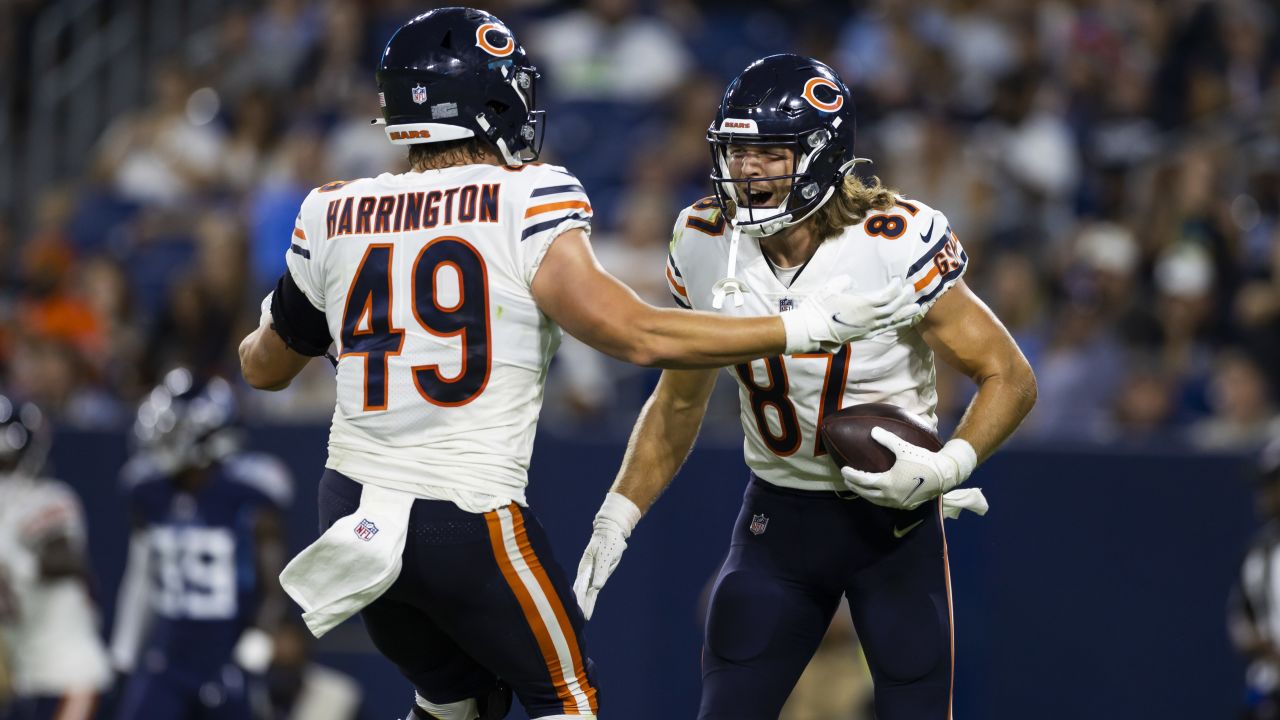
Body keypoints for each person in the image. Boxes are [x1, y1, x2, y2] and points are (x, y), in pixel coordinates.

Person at [236, 9, 920, 720]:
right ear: (490, 102)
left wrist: (286, 316)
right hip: (465, 517)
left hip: (347, 506)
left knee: (454, 702)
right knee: (567, 701)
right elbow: (638, 335)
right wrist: (798, 326)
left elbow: (264, 367)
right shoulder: (525, 196)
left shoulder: (330, 211)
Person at [573, 54, 1038, 720]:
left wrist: (947, 466)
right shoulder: (704, 240)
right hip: (777, 524)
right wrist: (618, 514)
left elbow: (1010, 376)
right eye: (737, 152)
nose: (748, 170)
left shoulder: (892, 240)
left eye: (769, 152)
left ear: (822, 154)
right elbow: (678, 402)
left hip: (894, 530)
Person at [110, 369, 291, 720]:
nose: (161, 440)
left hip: (226, 655)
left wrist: (257, 646)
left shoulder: (247, 494)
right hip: (168, 656)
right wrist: (124, 653)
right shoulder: (150, 492)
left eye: (175, 429)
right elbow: (141, 578)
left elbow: (277, 583)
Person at [0, 395, 112, 720]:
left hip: (70, 675)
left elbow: (66, 560)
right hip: (27, 675)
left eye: (5, 461)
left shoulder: (50, 499)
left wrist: (17, 565)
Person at [1229, 435, 1280, 720]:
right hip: (1267, 692)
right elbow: (1240, 619)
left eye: (1272, 485)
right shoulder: (1258, 552)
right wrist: (1259, 644)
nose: (1265, 495)